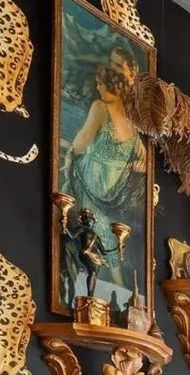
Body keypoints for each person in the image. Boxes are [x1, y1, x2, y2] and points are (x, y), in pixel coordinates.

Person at [64, 63, 146, 305]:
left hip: (95, 177)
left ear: (110, 86)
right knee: (107, 231)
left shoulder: (101, 107)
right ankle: (118, 289)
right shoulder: (132, 123)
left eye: (100, 84)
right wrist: (128, 166)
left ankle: (93, 287)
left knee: (92, 225)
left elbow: (82, 141)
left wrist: (69, 155)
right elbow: (144, 163)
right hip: (115, 186)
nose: (98, 88)